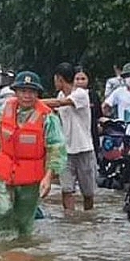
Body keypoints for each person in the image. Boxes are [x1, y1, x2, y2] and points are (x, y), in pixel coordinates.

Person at [0, 71, 66, 237]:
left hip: (31, 174)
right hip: (5, 169)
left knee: (24, 219)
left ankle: (22, 251)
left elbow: (56, 147)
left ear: (37, 94)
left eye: (31, 92)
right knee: (4, 209)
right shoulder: (3, 111)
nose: (27, 96)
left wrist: (48, 177)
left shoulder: (48, 118)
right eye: (23, 91)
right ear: (16, 92)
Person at [42, 62, 97, 211]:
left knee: (88, 193)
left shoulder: (80, 94)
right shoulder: (60, 94)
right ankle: (70, 220)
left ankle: (88, 218)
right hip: (65, 150)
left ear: (59, 79)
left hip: (84, 148)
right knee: (66, 190)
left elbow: (60, 103)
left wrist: (34, 102)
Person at [74, 66, 103, 157]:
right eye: (77, 79)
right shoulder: (69, 96)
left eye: (83, 79)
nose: (80, 82)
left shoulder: (93, 95)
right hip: (75, 133)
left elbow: (99, 115)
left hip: (91, 132)